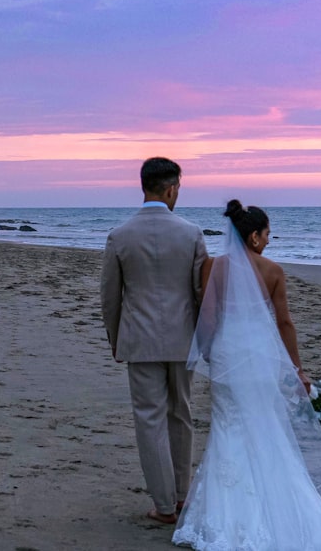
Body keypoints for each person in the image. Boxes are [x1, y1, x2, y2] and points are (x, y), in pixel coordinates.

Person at [172, 200, 321, 550]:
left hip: (227, 353)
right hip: (260, 356)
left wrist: (208, 351)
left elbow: (207, 317)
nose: (269, 241)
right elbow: (284, 323)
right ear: (253, 236)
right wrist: (297, 368)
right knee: (265, 425)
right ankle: (278, 505)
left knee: (228, 428)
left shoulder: (213, 267)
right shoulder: (273, 271)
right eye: (267, 234)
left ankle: (225, 515)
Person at [100, 157, 208, 524]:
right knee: (182, 414)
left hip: (140, 340)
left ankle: (163, 504)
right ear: (171, 188)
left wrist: (116, 339)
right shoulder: (191, 233)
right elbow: (200, 294)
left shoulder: (120, 234)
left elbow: (110, 296)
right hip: (184, 339)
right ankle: (181, 497)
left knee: (149, 420)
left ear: (143, 186)